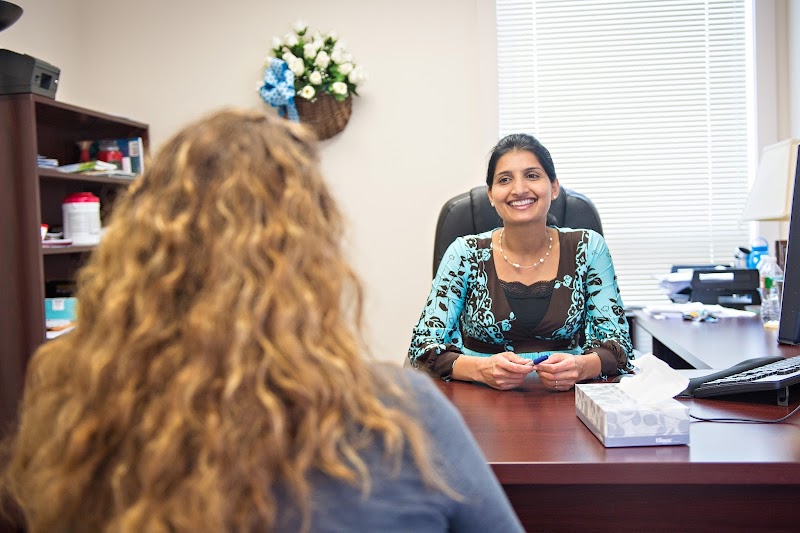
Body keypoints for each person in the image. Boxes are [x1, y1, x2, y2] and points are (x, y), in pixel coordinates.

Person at [1, 109, 523, 533]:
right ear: (315, 256)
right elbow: (427, 346)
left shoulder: (71, 401)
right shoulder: (403, 415)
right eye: (505, 179)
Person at [409, 133, 634, 391]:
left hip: (566, 394)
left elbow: (619, 345)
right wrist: (481, 370)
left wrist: (581, 366)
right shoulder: (464, 253)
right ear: (491, 195)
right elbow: (422, 347)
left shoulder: (588, 247)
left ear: (554, 187)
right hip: (478, 394)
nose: (519, 189)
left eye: (532, 175)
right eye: (505, 179)